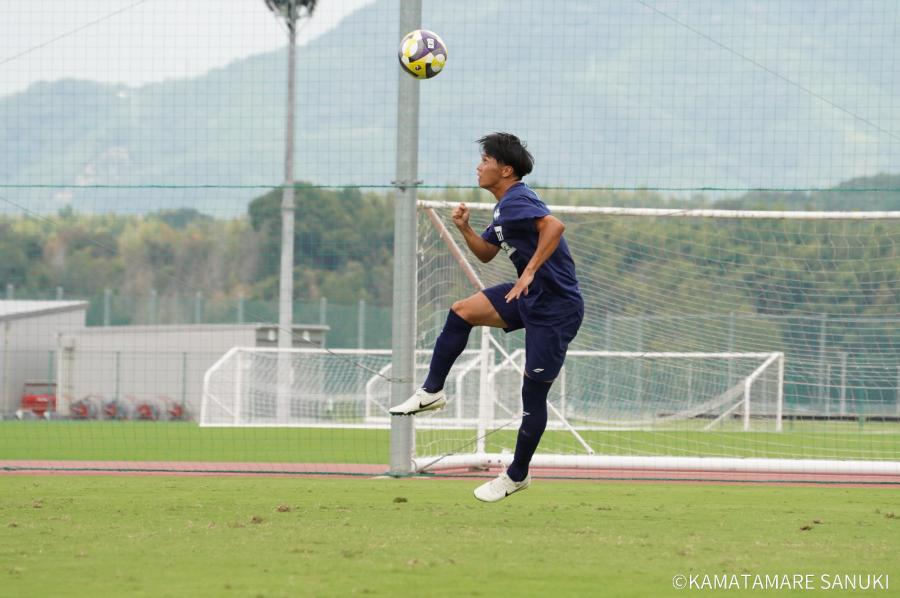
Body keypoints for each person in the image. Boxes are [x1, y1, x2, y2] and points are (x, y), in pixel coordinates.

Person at [389, 132, 584, 502]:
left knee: (532, 395)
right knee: (462, 311)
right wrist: (464, 228)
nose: (478, 167)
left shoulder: (518, 199)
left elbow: (554, 227)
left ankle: (517, 475)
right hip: (529, 297)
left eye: (485, 161)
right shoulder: (504, 208)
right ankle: (432, 391)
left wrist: (528, 272)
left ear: (505, 170)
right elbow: (486, 254)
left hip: (556, 308)